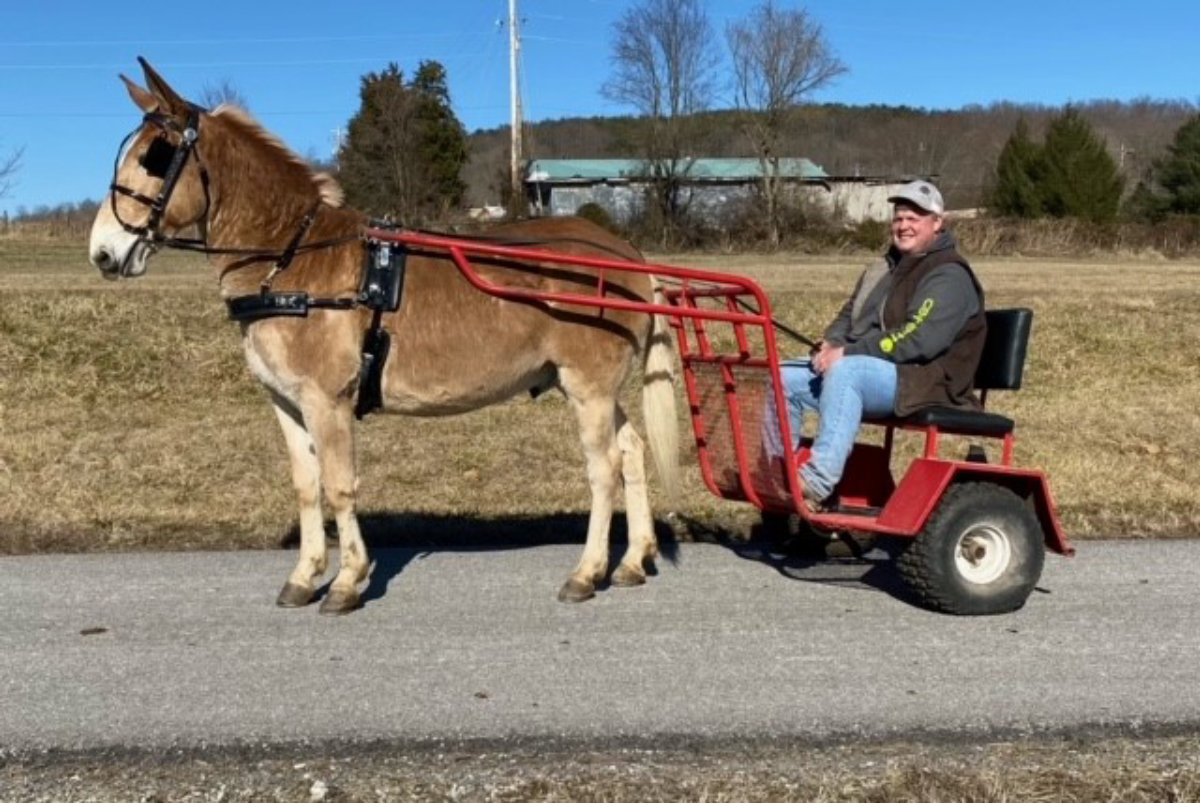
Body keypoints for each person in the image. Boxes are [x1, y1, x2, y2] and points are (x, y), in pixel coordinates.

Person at [766, 179, 987, 511]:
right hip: (885, 370)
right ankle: (776, 474)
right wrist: (831, 343)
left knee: (847, 371)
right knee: (782, 377)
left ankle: (816, 481)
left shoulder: (949, 275)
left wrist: (848, 353)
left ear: (937, 223)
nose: (904, 225)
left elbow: (918, 339)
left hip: (929, 381)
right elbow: (849, 315)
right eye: (899, 217)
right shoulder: (883, 268)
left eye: (915, 217)